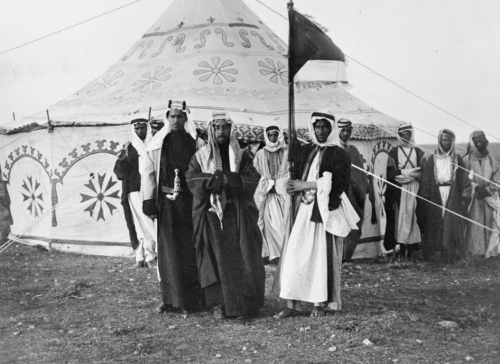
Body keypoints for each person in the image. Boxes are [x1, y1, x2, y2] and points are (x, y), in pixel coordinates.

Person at [274, 110, 359, 319]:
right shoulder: (307, 150)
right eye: (317, 127)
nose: (320, 131)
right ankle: (292, 303)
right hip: (304, 209)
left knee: (321, 257)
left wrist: (307, 184)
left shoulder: (339, 154)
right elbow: (294, 173)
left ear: (331, 129)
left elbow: (339, 184)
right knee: (296, 253)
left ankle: (319, 303)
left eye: (325, 127)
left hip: (324, 211)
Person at [186, 111, 265, 319]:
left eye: (225, 127)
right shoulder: (201, 156)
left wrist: (233, 179)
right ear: (211, 130)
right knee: (215, 258)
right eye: (217, 127)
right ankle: (218, 304)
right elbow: (191, 177)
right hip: (212, 215)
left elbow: (252, 177)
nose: (221, 131)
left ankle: (244, 306)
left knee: (243, 257)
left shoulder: (242, 155)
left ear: (231, 129)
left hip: (237, 212)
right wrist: (211, 180)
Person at [141, 101, 205, 315]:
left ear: (186, 119)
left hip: (190, 203)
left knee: (189, 248)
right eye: (172, 116)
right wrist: (149, 200)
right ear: (167, 118)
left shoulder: (197, 143)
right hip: (166, 203)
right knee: (168, 250)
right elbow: (148, 173)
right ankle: (169, 299)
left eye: (180, 116)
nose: (176, 120)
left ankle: (191, 300)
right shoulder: (158, 144)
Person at [419, 129, 471, 261]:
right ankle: (436, 252)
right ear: (439, 141)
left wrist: (465, 196)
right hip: (436, 194)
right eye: (443, 140)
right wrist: (425, 196)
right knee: (436, 221)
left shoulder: (457, 159)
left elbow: (465, 180)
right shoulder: (432, 158)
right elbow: (426, 179)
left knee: (450, 222)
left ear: (452, 141)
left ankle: (451, 252)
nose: (446, 143)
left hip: (452, 194)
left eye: (448, 140)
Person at [114, 119, 157, 268]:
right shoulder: (129, 148)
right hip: (135, 191)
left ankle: (154, 254)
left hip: (152, 189)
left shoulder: (155, 144)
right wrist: (122, 161)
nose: (140, 132)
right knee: (139, 224)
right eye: (137, 129)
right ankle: (142, 256)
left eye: (142, 128)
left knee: (151, 222)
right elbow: (120, 173)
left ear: (148, 128)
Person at [384, 124, 425, 257]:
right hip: (400, 190)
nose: (405, 137)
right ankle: (402, 247)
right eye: (402, 134)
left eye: (407, 133)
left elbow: (423, 171)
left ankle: (414, 247)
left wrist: (408, 174)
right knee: (401, 218)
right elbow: (391, 174)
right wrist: (407, 173)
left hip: (415, 189)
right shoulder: (394, 152)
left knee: (415, 216)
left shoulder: (418, 152)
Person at [253, 125, 290, 264]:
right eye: (271, 135)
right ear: (266, 136)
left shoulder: (286, 153)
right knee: (265, 223)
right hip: (266, 194)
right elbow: (255, 173)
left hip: (282, 195)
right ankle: (269, 254)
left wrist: (279, 184)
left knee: (282, 224)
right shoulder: (260, 154)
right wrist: (268, 185)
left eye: (275, 135)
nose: (273, 138)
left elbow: (289, 174)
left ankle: (283, 254)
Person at [463, 131, 500, 257]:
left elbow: (497, 175)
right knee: (475, 223)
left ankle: (490, 251)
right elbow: (463, 179)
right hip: (474, 197)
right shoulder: (466, 159)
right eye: (477, 142)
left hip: (488, 196)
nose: (480, 145)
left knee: (490, 222)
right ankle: (476, 251)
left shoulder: (489, 158)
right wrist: (474, 188)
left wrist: (488, 189)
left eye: (482, 142)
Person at [338, 118, 368, 261]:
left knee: (353, 223)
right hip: (335, 192)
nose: (345, 134)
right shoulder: (332, 149)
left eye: (348, 131)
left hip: (351, 194)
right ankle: (337, 255)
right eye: (342, 130)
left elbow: (360, 175)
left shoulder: (353, 151)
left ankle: (346, 255)